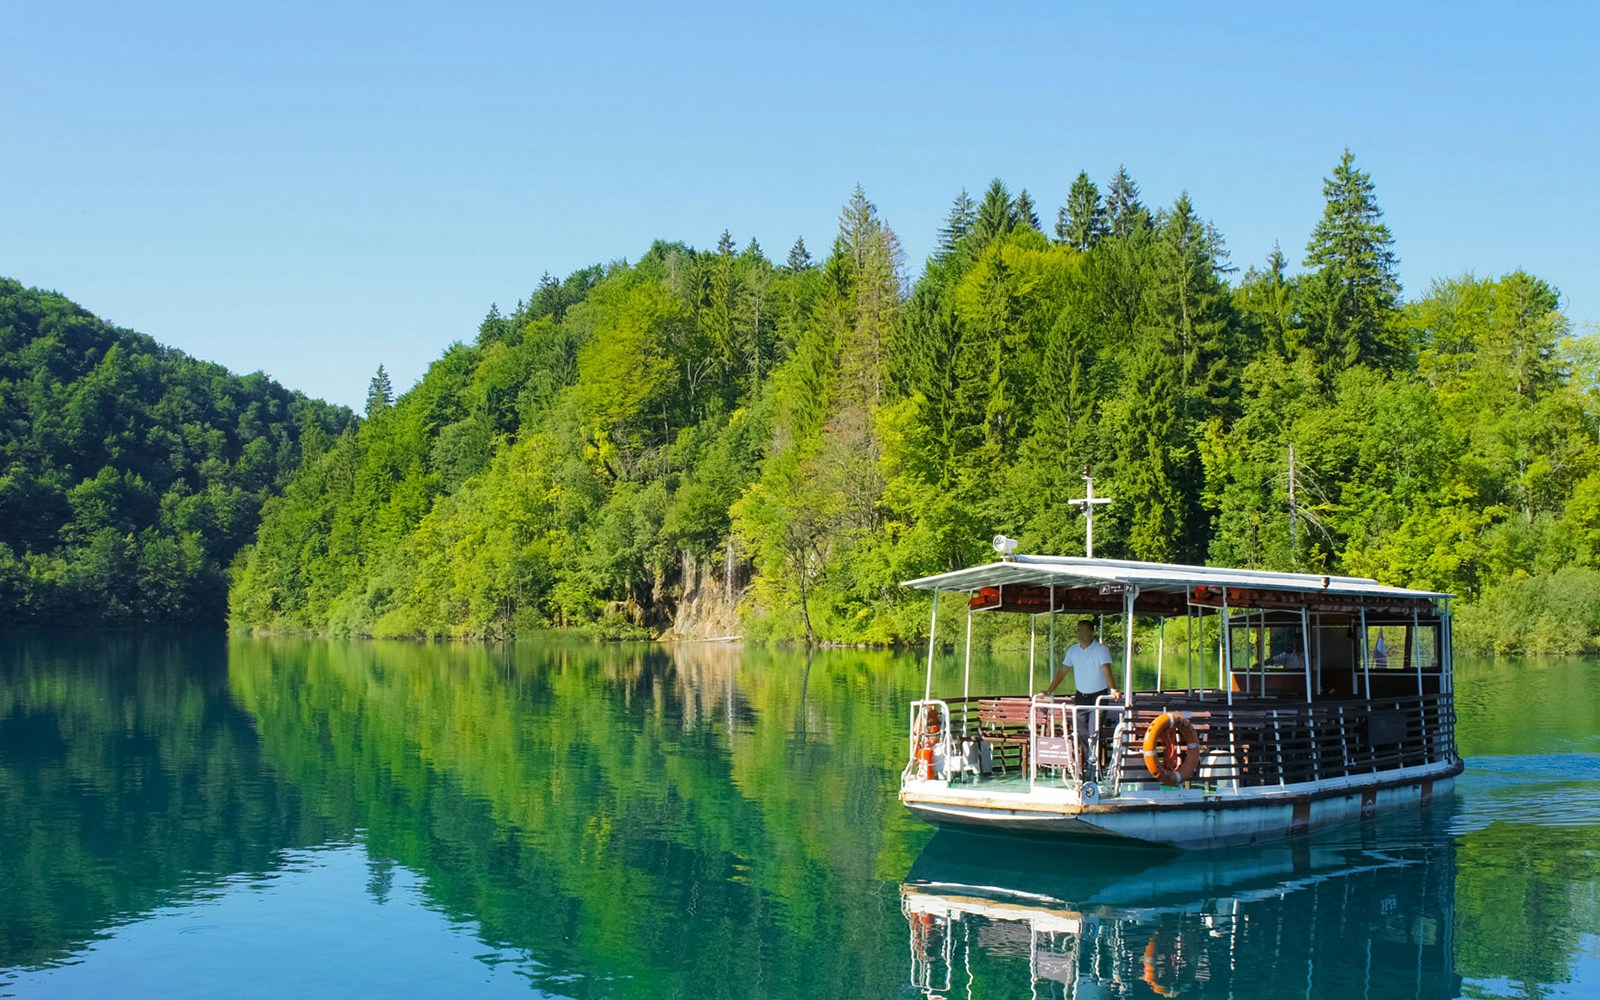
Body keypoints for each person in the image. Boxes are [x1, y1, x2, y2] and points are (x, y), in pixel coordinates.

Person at [1041, 619, 1121, 777]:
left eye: (1083, 630)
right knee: (1082, 733)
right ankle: (1086, 766)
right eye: (1078, 630)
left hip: (1099, 696)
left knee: (1094, 733)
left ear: (1091, 632)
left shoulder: (1100, 650)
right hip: (1081, 697)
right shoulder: (1072, 651)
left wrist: (1113, 689)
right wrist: (1050, 691)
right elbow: (1062, 672)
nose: (1080, 633)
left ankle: (1094, 769)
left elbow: (1106, 670)